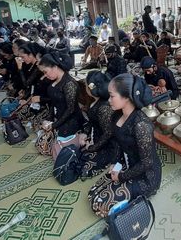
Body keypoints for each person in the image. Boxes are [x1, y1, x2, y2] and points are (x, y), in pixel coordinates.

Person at [87, 73, 161, 217]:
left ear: (126, 97)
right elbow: (119, 145)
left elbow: (147, 162)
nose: (109, 100)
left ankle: (142, 196)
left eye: (112, 96)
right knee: (93, 193)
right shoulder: (116, 115)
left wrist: (121, 177)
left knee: (99, 205)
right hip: (127, 165)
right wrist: (115, 164)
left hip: (146, 176)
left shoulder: (141, 125)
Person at [75, 71, 116, 178]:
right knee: (76, 157)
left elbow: (108, 134)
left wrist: (92, 147)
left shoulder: (104, 108)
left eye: (86, 85)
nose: (85, 87)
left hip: (107, 145)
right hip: (96, 137)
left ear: (91, 88)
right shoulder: (94, 100)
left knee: (83, 166)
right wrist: (85, 133)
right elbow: (92, 121)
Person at [40, 51, 85, 137]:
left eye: (45, 72)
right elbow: (53, 102)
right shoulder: (54, 81)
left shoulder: (69, 84)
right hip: (59, 117)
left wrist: (54, 125)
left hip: (71, 121)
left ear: (55, 67)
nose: (45, 75)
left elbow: (70, 110)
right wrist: (49, 119)